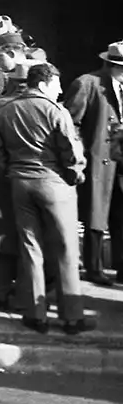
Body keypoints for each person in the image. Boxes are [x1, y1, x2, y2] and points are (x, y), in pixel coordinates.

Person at [0, 62, 91, 334]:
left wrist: (11, 175)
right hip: (54, 182)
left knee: (31, 249)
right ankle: (72, 316)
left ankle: (35, 313)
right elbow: (71, 151)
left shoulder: (6, 110)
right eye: (56, 84)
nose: (59, 90)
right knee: (66, 249)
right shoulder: (57, 111)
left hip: (20, 182)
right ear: (44, 83)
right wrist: (76, 174)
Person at [62, 41, 123, 287]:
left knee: (121, 215)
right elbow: (71, 123)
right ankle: (93, 267)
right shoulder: (87, 83)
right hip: (99, 158)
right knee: (95, 215)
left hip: (121, 160)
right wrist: (80, 153)